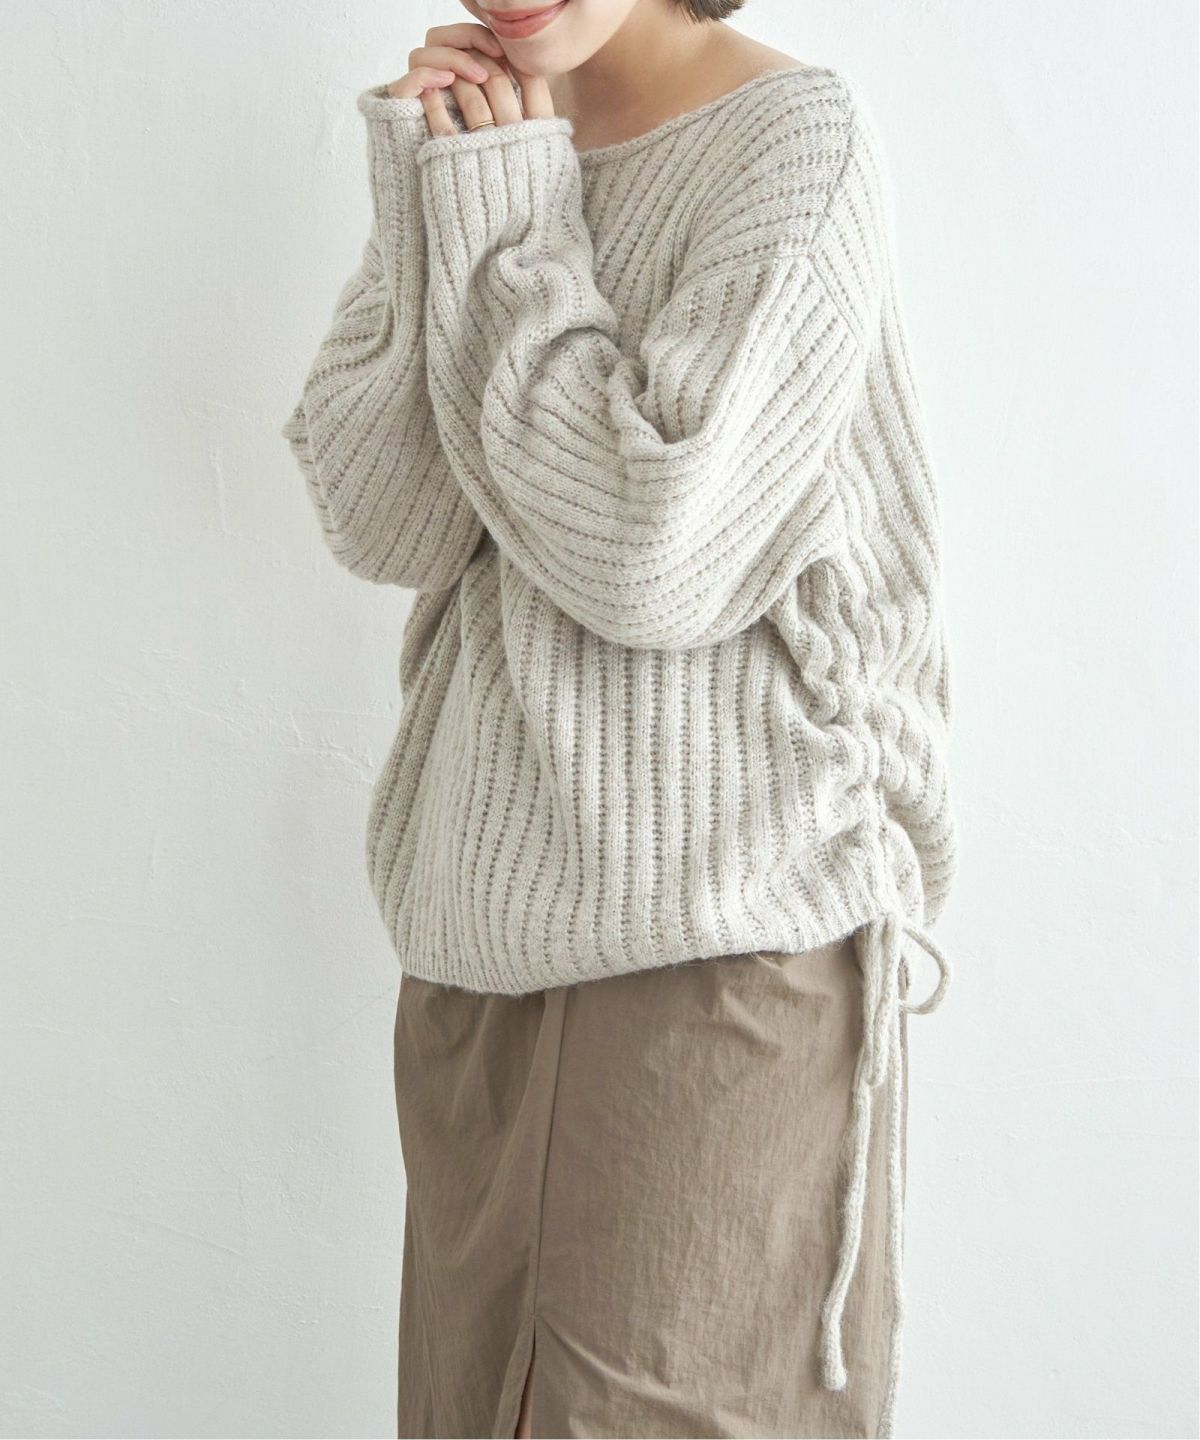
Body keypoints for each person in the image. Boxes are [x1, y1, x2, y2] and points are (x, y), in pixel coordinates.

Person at [280, 1, 962, 1435]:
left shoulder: (794, 141)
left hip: (720, 946)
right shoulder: (493, 141)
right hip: (480, 945)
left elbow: (654, 550)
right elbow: (389, 520)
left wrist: (507, 216)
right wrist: (432, 190)